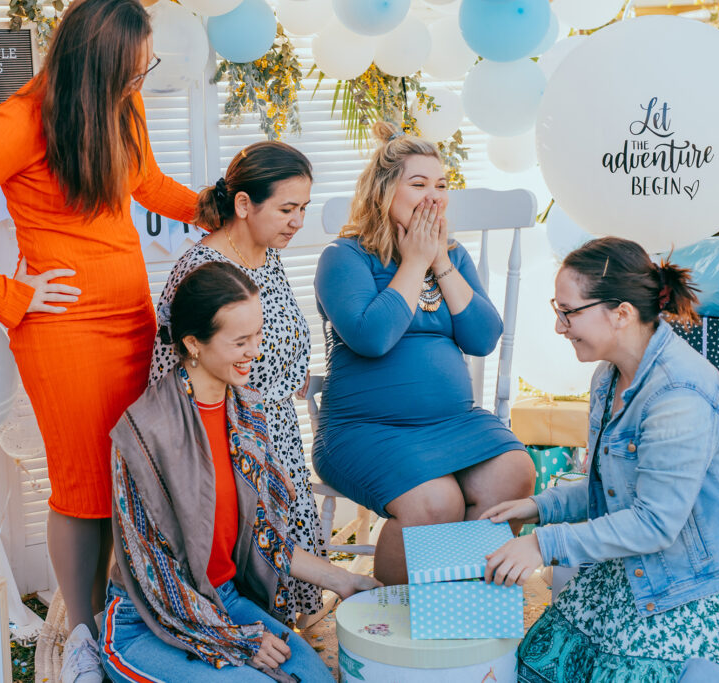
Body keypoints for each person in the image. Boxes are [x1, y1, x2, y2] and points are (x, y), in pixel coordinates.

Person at [0, 1, 200, 679]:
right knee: (82, 485)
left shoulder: (123, 107)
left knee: (134, 472)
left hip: (131, 315)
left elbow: (146, 181)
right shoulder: (17, 124)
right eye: (131, 70)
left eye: (145, 68)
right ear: (91, 64)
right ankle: (86, 637)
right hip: (62, 331)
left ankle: (131, 620)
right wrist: (14, 295)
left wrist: (213, 205)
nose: (140, 81)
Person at [483, 237, 719, 681]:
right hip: (641, 568)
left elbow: (654, 523)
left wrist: (545, 542)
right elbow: (614, 488)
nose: (560, 326)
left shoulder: (680, 394)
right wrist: (541, 507)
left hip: (702, 586)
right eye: (556, 309)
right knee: (541, 660)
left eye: (569, 312)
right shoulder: (609, 376)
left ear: (620, 313)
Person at [103, 262, 380, 682]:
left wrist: (343, 581)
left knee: (319, 679)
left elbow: (267, 536)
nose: (256, 350)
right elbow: (156, 577)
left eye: (258, 335)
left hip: (224, 600)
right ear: (194, 343)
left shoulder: (246, 412)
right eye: (240, 341)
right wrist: (239, 640)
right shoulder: (145, 433)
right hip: (147, 622)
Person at [312, 121, 534, 586]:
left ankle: (463, 596)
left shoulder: (450, 255)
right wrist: (413, 261)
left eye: (441, 185)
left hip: (453, 424)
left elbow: (482, 338)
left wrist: (441, 262)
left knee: (513, 475)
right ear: (383, 191)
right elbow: (372, 338)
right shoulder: (345, 257)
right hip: (365, 430)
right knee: (437, 502)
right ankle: (396, 617)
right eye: (418, 184)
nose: (434, 197)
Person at [149, 141, 325, 616]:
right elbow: (174, 378)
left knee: (288, 609)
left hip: (278, 436)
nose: (298, 222)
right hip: (228, 450)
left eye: (303, 209)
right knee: (251, 602)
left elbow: (271, 332)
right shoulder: (205, 269)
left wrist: (293, 368)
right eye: (287, 208)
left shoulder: (267, 253)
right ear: (244, 204)